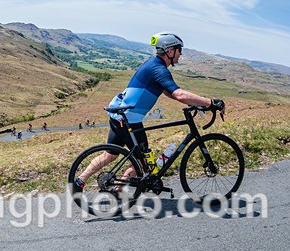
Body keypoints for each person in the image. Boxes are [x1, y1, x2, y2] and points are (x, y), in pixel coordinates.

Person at [74, 32, 225, 188]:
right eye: (179, 50)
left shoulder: (152, 64)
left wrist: (195, 102)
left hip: (118, 113)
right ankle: (118, 192)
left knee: (110, 155)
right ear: (170, 51)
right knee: (142, 161)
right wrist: (210, 102)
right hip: (129, 119)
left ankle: (79, 181)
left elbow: (167, 91)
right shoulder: (159, 69)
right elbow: (179, 94)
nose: (181, 54)